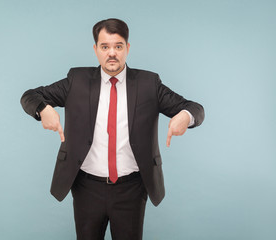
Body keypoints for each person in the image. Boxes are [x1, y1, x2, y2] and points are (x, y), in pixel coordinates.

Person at [21, 18, 204, 240]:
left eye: (118, 46)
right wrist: (44, 109)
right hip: (87, 187)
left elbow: (195, 108)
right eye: (105, 46)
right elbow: (30, 96)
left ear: (127, 48)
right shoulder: (76, 81)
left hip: (132, 189)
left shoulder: (149, 84)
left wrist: (185, 117)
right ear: (95, 49)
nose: (112, 53)